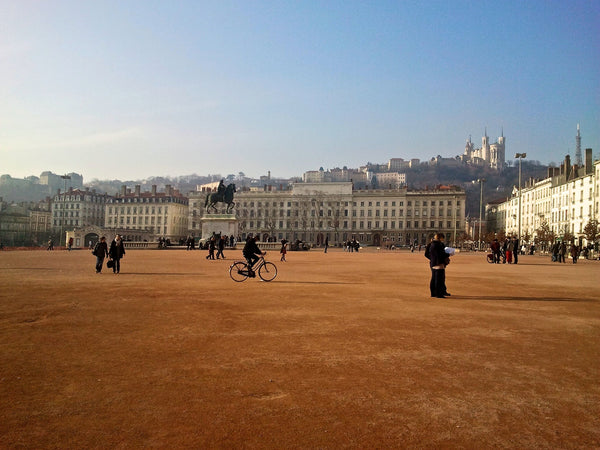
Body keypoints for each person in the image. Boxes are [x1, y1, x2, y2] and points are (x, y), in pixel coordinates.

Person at [425, 233, 450, 298]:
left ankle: (434, 293)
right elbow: (441, 254)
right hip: (438, 263)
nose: (443, 239)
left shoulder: (433, 244)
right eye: (442, 238)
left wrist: (432, 259)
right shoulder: (438, 245)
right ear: (440, 238)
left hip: (434, 263)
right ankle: (438, 293)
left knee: (435, 278)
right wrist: (448, 254)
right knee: (439, 279)